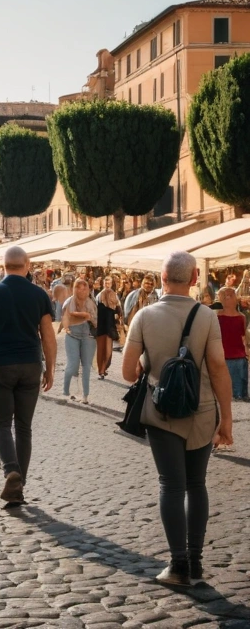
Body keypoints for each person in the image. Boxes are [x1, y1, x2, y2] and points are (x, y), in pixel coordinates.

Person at [121, 251, 234, 587]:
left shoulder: (144, 315)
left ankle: (178, 565)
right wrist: (226, 419)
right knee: (196, 484)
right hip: (201, 411)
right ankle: (196, 563)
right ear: (195, 277)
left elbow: (129, 372)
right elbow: (217, 367)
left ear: (162, 278)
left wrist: (147, 361)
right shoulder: (206, 316)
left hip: (160, 411)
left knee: (171, 485)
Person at [0, 246, 56, 507]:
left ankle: (11, 472)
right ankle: (19, 486)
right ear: (27, 265)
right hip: (31, 363)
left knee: (1, 422)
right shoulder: (39, 294)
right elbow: (48, 336)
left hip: (2, 364)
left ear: (4, 266)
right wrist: (50, 368)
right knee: (24, 426)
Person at [61, 277, 97, 404]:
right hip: (72, 336)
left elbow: (96, 321)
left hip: (88, 336)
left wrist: (88, 317)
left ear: (88, 289)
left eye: (84, 288)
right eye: (78, 288)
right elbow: (65, 318)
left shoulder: (91, 302)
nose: (82, 291)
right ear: (74, 289)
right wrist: (81, 316)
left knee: (87, 366)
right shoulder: (69, 302)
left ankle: (85, 396)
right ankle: (65, 391)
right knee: (72, 365)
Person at [217, 286, 249, 403]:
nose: (229, 299)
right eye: (226, 296)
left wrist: (246, 351)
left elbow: (243, 337)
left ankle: (241, 394)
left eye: (231, 295)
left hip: (239, 354)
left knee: (241, 377)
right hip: (224, 354)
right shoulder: (217, 317)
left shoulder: (242, 317)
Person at [95, 274, 123, 379]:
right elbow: (95, 311)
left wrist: (118, 318)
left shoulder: (114, 296)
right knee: (100, 350)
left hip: (110, 325)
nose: (107, 285)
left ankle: (103, 369)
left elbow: (119, 310)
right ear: (103, 284)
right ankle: (101, 370)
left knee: (108, 351)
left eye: (109, 283)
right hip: (101, 325)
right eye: (105, 283)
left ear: (111, 284)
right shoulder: (98, 296)